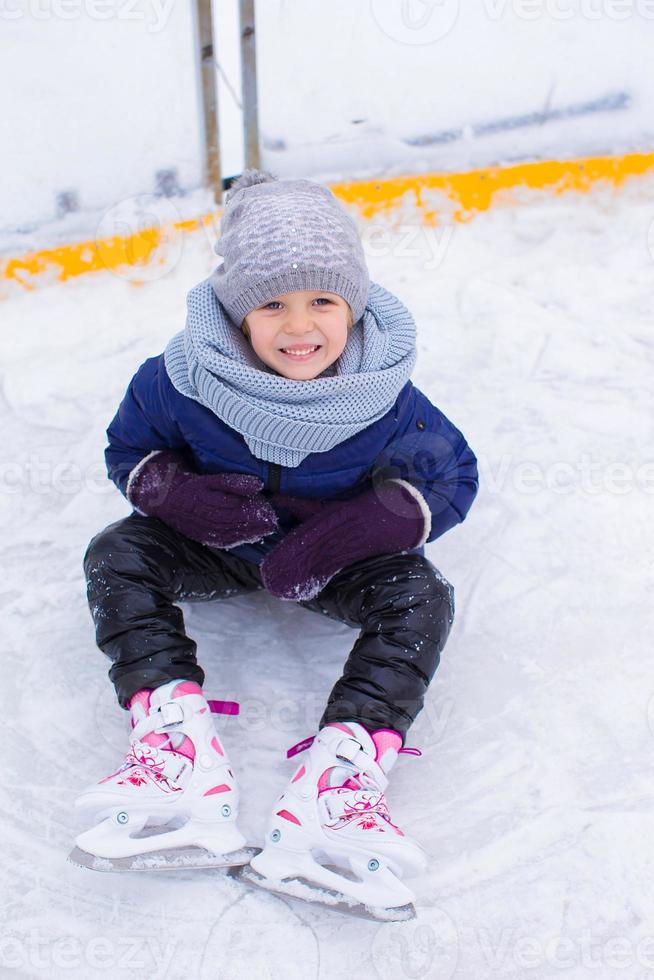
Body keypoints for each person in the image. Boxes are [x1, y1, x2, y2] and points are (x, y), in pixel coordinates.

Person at [72, 169, 479, 917]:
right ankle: (175, 748)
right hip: (220, 545)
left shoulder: (384, 396)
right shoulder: (179, 380)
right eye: (272, 304)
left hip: (333, 553)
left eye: (322, 300)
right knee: (116, 555)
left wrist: (370, 525)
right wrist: (177, 496)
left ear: (352, 307)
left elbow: (451, 474)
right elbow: (128, 451)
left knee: (423, 595)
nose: (300, 327)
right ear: (236, 315)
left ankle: (341, 778)